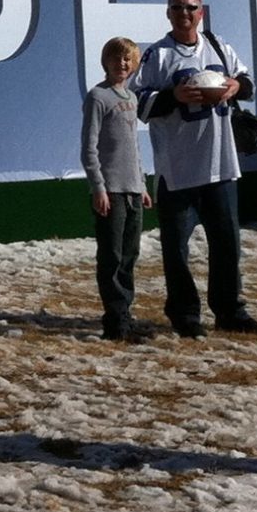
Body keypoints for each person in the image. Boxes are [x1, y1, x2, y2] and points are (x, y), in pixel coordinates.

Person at [137, 0, 257, 337]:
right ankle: (185, 315)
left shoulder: (218, 46)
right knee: (176, 248)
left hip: (221, 164)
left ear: (201, 12)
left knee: (227, 243)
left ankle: (229, 311)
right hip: (178, 169)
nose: (185, 13)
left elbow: (248, 81)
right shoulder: (157, 55)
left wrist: (235, 88)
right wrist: (173, 96)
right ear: (168, 13)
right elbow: (139, 103)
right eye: (177, 7)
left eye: (191, 7)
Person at [82, 36, 153, 341]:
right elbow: (89, 147)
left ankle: (125, 312)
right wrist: (99, 187)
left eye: (127, 59)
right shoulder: (98, 97)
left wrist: (143, 184)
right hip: (111, 190)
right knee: (110, 256)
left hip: (133, 190)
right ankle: (115, 321)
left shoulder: (132, 98)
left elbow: (133, 147)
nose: (122, 64)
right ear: (106, 61)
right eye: (116, 58)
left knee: (129, 254)